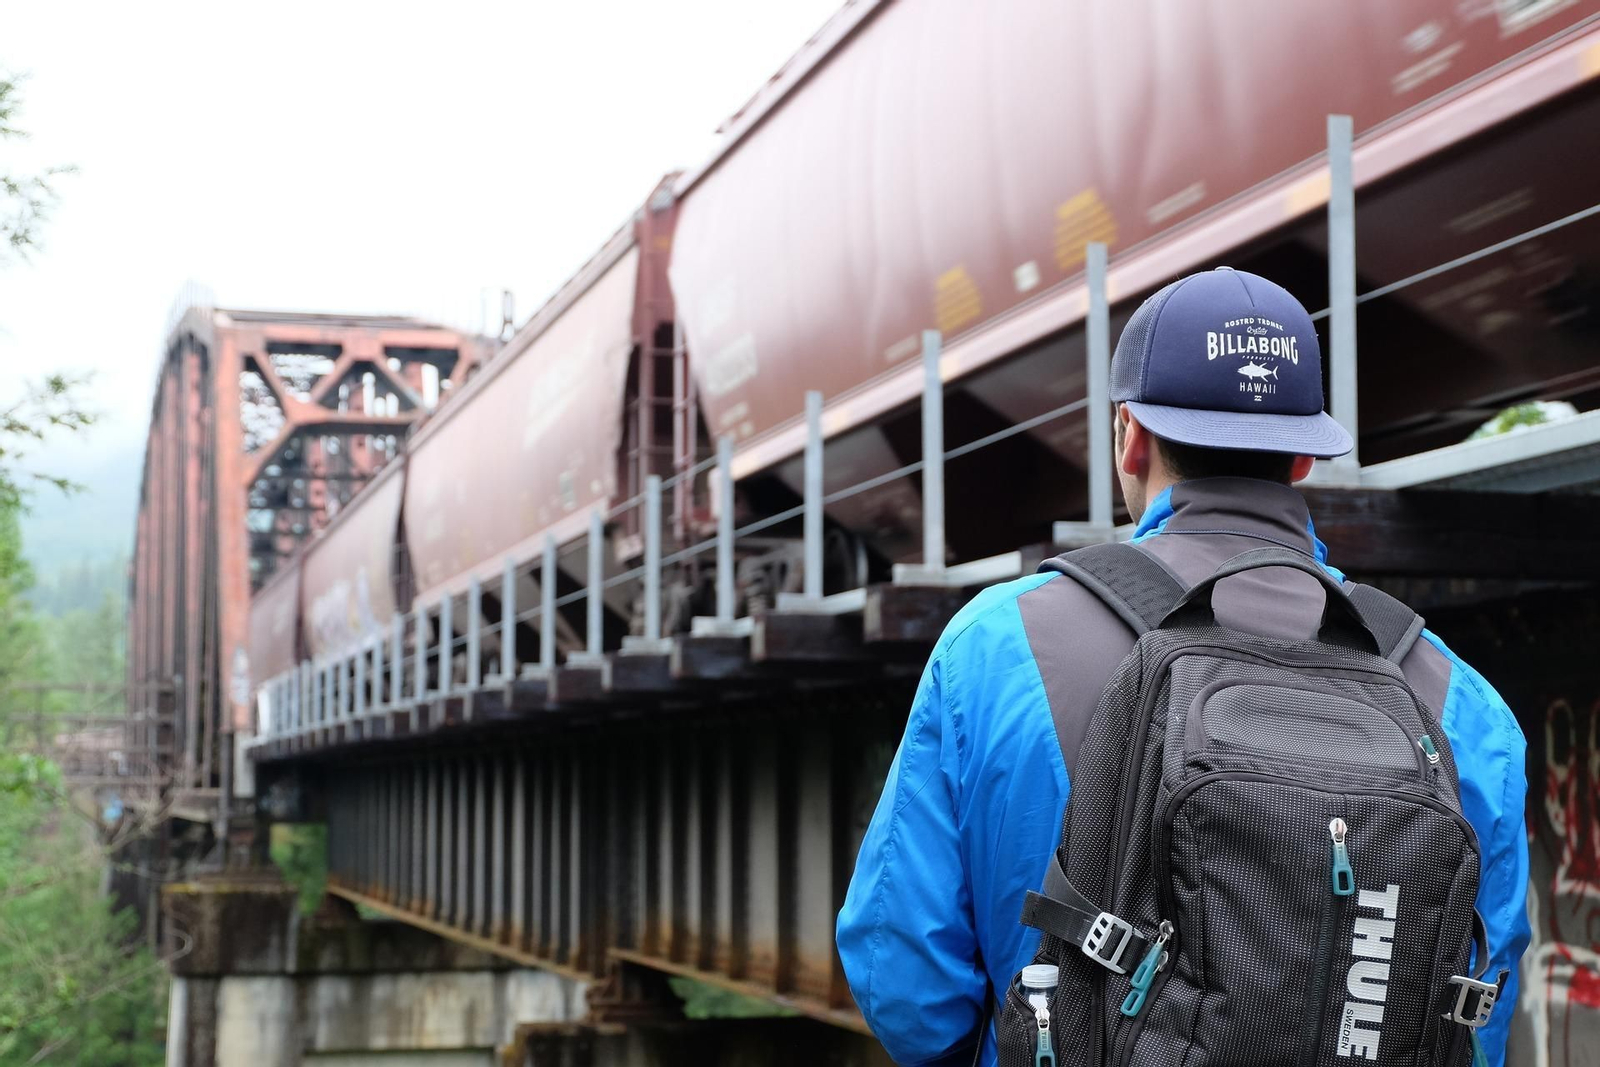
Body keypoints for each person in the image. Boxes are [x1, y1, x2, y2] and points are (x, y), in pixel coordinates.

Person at [836, 267, 1529, 1067]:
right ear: (1302, 457)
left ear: (1129, 432)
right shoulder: (1459, 697)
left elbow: (903, 980)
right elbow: (1479, 1013)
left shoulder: (998, 646)